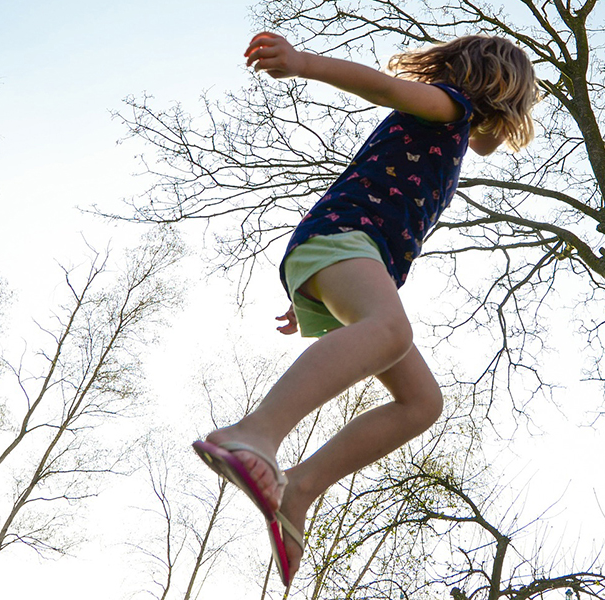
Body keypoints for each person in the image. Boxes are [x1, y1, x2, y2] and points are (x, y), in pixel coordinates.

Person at [192, 31, 538, 587]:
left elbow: (485, 145)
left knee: (422, 402)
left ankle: (298, 489)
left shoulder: (451, 130)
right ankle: (254, 433)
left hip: (345, 253)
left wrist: (316, 290)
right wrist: (302, 63)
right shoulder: (449, 105)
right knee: (389, 330)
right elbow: (380, 85)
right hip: (345, 239)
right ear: (500, 93)